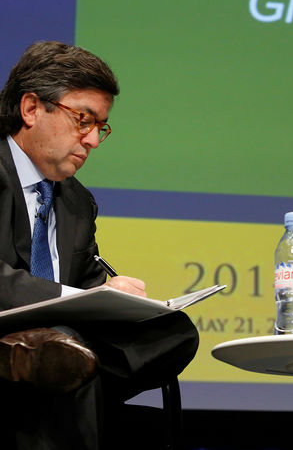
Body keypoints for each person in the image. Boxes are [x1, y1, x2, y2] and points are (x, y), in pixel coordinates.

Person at [0, 41, 199, 449]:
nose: (92, 140)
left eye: (100, 127)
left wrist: (117, 300)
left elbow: (88, 281)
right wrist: (71, 298)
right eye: (82, 120)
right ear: (32, 109)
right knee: (62, 340)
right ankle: (49, 359)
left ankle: (56, 364)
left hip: (67, 336)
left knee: (173, 332)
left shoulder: (76, 201)